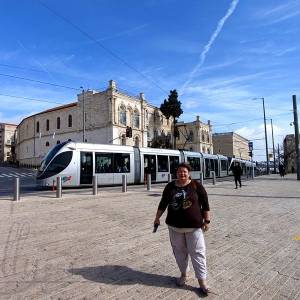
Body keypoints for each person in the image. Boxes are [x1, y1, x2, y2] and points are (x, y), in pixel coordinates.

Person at [153, 163, 210, 295]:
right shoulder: (170, 186)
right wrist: (157, 218)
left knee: (198, 254)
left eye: (184, 171)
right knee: (179, 253)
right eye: (179, 172)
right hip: (174, 227)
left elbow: (205, 204)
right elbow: (163, 203)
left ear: (189, 173)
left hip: (194, 228)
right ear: (176, 173)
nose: (182, 174)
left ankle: (202, 281)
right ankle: (184, 274)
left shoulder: (196, 186)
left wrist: (207, 220)